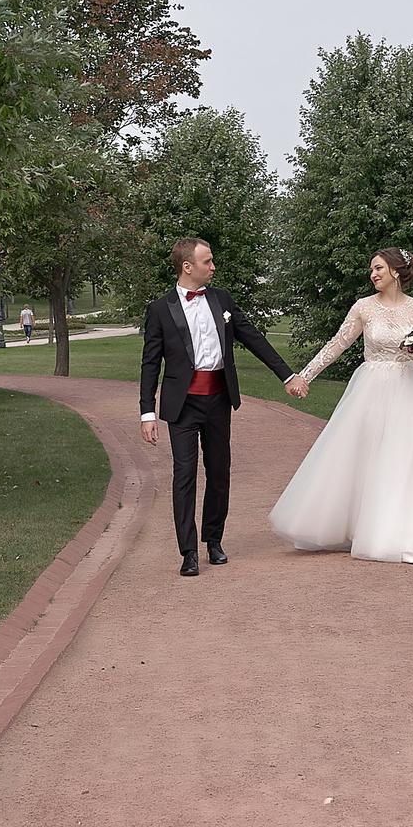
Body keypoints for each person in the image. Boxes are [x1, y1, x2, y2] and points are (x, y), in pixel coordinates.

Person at [268, 247, 413, 564]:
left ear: (396, 271)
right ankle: (350, 527)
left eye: (379, 268)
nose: (373, 274)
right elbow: (337, 343)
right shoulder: (363, 307)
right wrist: (305, 376)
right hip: (371, 388)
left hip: (409, 390)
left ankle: (401, 537)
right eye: (372, 269)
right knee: (361, 457)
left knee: (406, 459)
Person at [139, 238, 299, 576]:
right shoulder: (160, 309)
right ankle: (188, 552)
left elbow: (252, 337)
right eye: (207, 261)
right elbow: (150, 364)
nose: (213, 267)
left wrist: (286, 375)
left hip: (218, 399)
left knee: (219, 472)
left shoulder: (221, 299)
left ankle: (213, 540)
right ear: (187, 267)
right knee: (184, 475)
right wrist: (147, 412)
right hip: (182, 405)